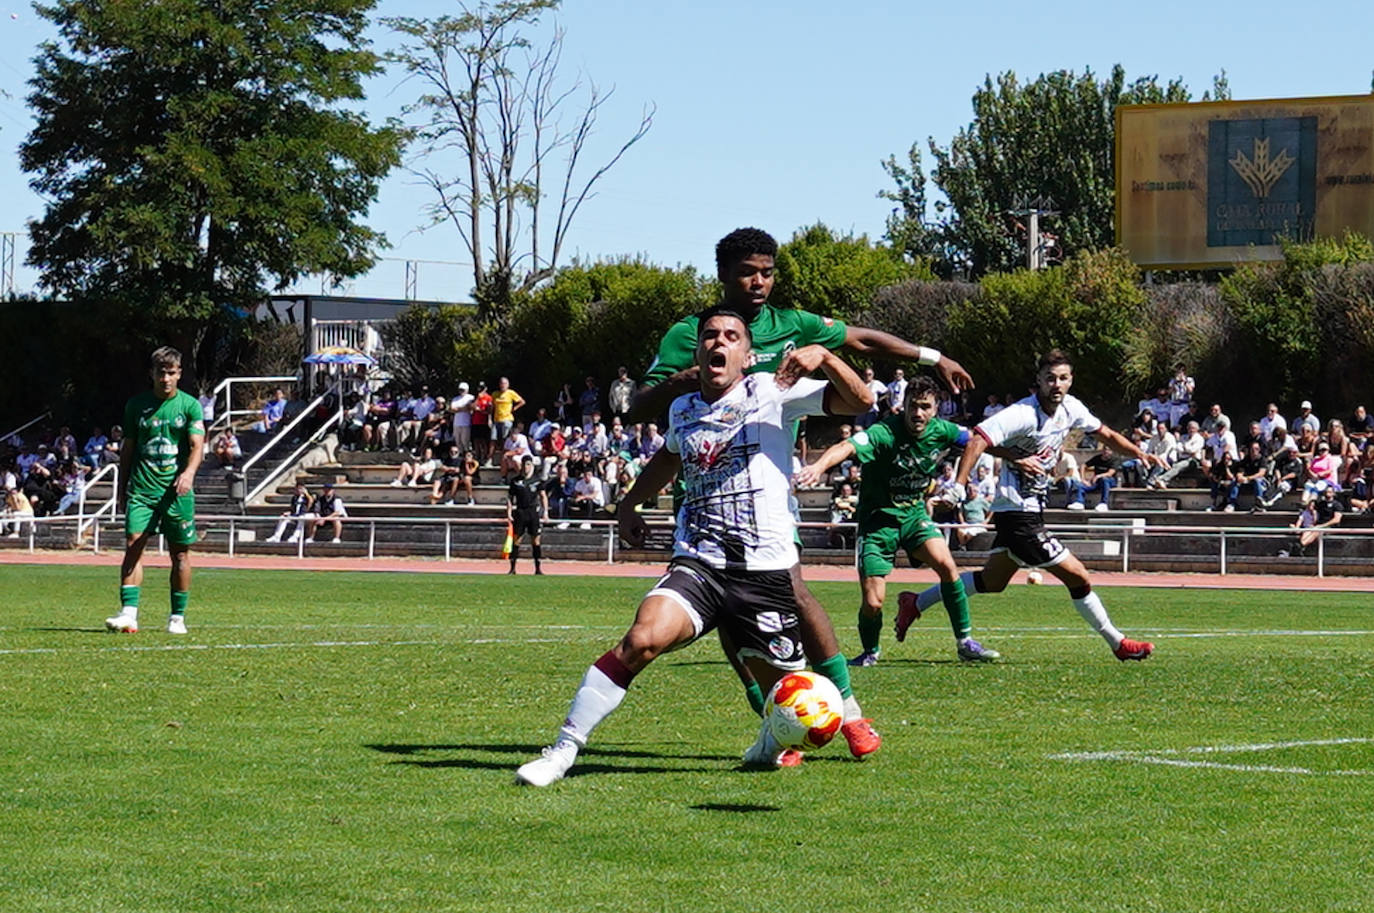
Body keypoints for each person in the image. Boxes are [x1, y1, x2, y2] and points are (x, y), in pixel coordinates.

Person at [629, 226, 972, 741]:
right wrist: (689, 377)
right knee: (728, 615)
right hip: (702, 497)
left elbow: (861, 339)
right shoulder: (690, 334)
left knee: (794, 591)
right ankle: (777, 721)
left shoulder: (790, 325)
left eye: (767, 272)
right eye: (748, 272)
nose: (759, 282)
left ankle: (850, 712)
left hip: (765, 494)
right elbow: (640, 405)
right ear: (723, 275)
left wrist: (931, 357)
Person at [515, 308, 875, 786]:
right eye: (709, 335)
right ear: (699, 351)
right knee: (640, 640)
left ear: (747, 356)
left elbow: (860, 400)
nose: (718, 342)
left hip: (765, 572)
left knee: (787, 692)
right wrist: (629, 504)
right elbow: (668, 458)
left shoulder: (773, 393)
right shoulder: (682, 408)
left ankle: (771, 743)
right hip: (700, 562)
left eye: (731, 336)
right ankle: (561, 752)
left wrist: (827, 357)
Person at [904, 349, 1162, 662]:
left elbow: (1105, 433)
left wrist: (1140, 453)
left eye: (1063, 378)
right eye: (1050, 378)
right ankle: (1117, 642)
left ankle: (915, 603)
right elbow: (977, 439)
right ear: (1038, 380)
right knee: (1078, 576)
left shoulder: (1071, 408)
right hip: (1018, 514)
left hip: (1027, 509)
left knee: (992, 581)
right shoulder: (1022, 414)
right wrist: (959, 486)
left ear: (1071, 380)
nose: (1057, 384)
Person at [795, 375, 998, 665]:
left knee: (948, 567)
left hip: (914, 515)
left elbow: (981, 439)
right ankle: (870, 652)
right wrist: (818, 466)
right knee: (873, 602)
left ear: (936, 408)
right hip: (878, 522)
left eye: (925, 406)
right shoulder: (884, 433)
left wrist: (1019, 458)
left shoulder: (944, 431)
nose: (918, 413)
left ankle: (965, 642)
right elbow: (847, 447)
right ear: (902, 405)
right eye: (912, 406)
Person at [104, 346, 206, 635]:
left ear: (179, 374)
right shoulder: (136, 405)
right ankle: (128, 614)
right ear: (152, 374)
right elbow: (128, 450)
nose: (165, 378)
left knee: (181, 555)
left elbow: (198, 446)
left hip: (176, 492)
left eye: (171, 373)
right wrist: (122, 488)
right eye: (161, 372)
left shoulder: (190, 406)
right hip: (142, 490)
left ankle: (177, 618)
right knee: (133, 544)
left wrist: (188, 473)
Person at [506, 456, 548, 575]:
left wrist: (545, 512)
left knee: (536, 540)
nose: (526, 467)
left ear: (532, 466)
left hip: (532, 512)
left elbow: (543, 496)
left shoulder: (537, 480)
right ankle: (512, 568)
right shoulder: (515, 481)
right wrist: (509, 512)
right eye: (524, 464)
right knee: (517, 540)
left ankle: (538, 568)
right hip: (520, 512)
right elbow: (510, 498)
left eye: (528, 464)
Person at [491, 376, 526, 457]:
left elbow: (522, 401)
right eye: (502, 383)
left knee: (505, 438)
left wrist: (514, 408)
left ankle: (504, 455)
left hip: (507, 419)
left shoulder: (511, 393)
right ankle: (490, 457)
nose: (503, 385)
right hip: (496, 419)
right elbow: (492, 406)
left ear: (508, 385)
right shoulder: (495, 394)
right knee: (493, 438)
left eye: (505, 383)